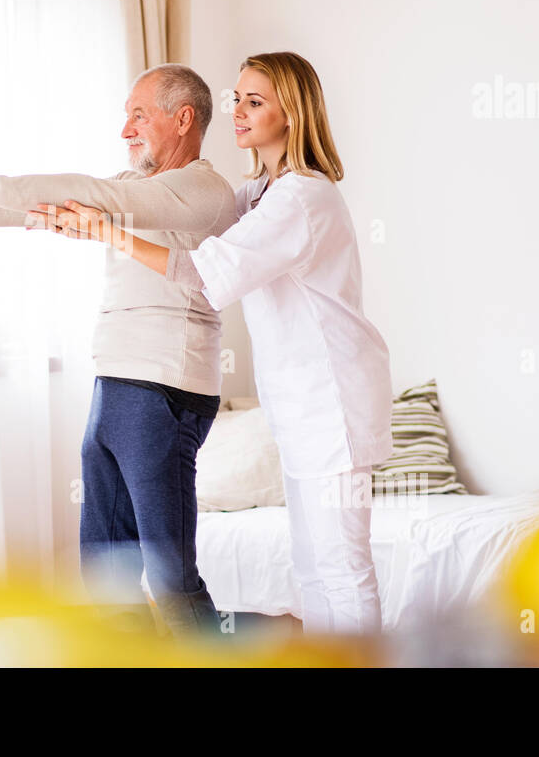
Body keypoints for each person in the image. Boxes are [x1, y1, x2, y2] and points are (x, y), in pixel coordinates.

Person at [0, 64, 237, 638]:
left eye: (138, 114)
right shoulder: (132, 189)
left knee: (170, 576)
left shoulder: (203, 190)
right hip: (114, 386)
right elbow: (34, 213)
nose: (126, 129)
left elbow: (92, 195)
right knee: (105, 576)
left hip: (166, 387)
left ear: (183, 118)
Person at [40, 52, 394, 635]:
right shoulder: (255, 194)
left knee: (341, 567)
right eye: (237, 99)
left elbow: (206, 272)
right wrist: (83, 216)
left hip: (334, 401)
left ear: (294, 111)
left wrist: (107, 230)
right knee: (311, 570)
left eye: (255, 101)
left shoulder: (302, 197)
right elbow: (182, 226)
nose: (238, 111)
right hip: (300, 406)